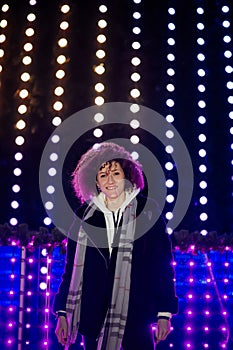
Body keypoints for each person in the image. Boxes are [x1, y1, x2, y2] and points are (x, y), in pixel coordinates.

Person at [53, 141, 178, 350]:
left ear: (127, 175)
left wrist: (164, 313)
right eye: (103, 175)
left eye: (115, 173)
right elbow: (71, 268)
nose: (110, 181)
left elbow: (161, 265)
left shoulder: (147, 211)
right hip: (93, 314)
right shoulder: (85, 216)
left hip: (136, 315)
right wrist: (63, 312)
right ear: (95, 181)